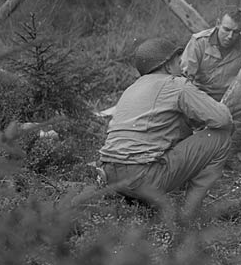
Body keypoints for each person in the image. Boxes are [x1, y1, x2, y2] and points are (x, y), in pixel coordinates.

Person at [99, 38, 233, 221]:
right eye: (178, 63)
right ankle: (188, 214)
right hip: (143, 177)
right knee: (221, 137)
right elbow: (222, 119)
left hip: (111, 176)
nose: (183, 68)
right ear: (168, 66)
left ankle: (141, 203)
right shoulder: (176, 84)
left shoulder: (131, 89)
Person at [180, 6, 241, 170]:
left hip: (234, 100)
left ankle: (231, 148)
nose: (230, 36)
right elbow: (184, 80)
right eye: (226, 29)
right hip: (203, 99)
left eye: (236, 32)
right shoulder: (199, 42)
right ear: (218, 24)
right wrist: (197, 105)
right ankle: (195, 152)